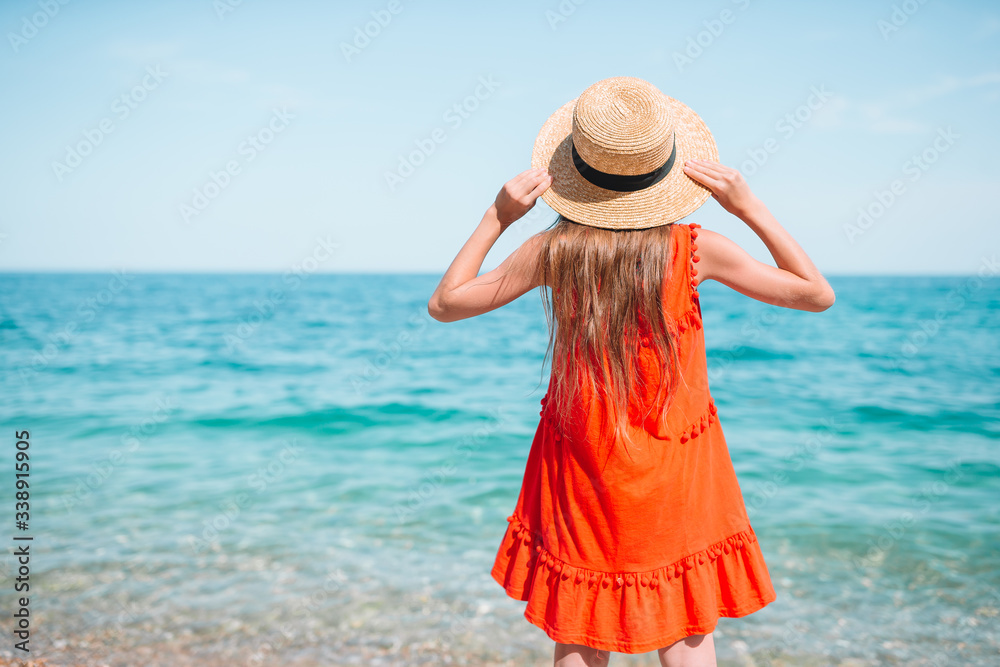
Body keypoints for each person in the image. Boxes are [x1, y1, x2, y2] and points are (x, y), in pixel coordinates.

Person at [427, 77, 834, 667]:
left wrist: (498, 216)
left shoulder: (553, 251)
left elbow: (446, 305)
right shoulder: (695, 248)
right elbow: (814, 294)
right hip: (677, 463)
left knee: (582, 623)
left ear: (579, 173)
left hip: (579, 462)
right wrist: (750, 207)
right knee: (685, 622)